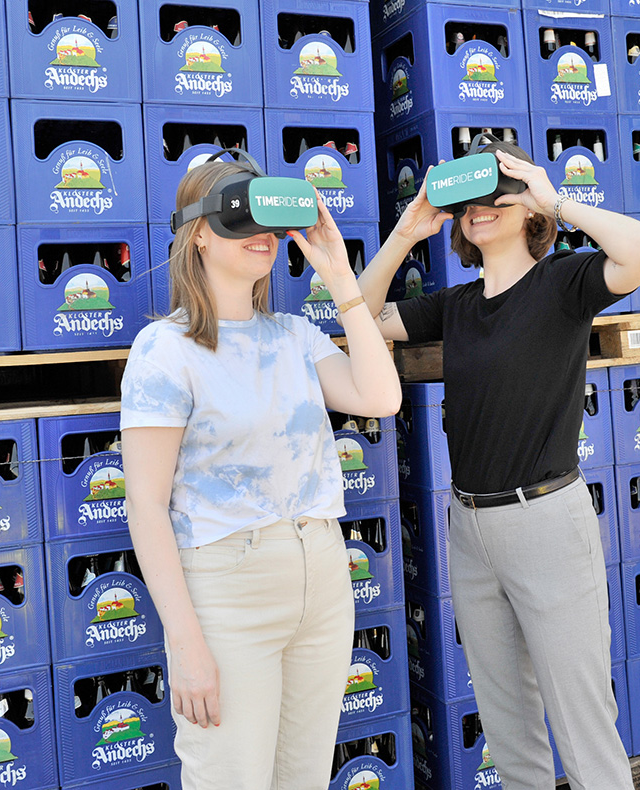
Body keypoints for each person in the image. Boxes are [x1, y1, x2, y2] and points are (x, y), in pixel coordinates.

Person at [358, 141, 640, 790]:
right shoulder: (456, 306)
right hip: (470, 531)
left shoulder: (564, 282)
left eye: (498, 193)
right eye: (469, 199)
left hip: (547, 521)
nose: (481, 208)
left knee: (584, 732)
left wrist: (554, 197)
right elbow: (361, 317)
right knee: (509, 735)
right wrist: (405, 233)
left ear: (527, 208)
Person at [119, 159, 402, 789]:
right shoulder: (165, 350)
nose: (262, 232)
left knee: (301, 778)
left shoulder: (296, 336)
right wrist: (186, 645)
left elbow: (381, 397)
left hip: (321, 576)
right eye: (240, 214)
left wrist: (338, 275)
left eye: (272, 220)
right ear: (197, 232)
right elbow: (145, 506)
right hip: (227, 587)